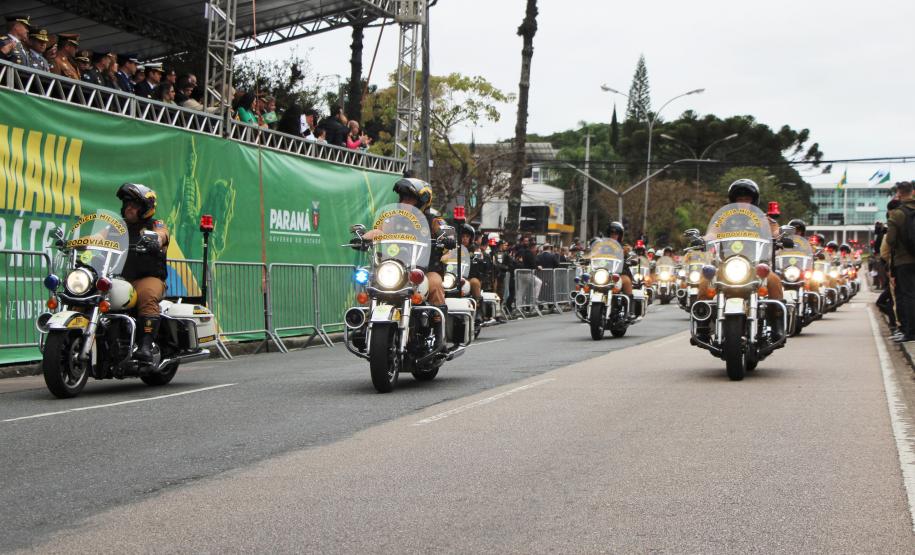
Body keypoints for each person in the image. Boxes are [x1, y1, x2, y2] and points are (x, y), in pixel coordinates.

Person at [363, 178, 446, 310]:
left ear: (422, 201)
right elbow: (378, 231)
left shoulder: (433, 220)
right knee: (370, 284)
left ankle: (438, 321)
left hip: (424, 270)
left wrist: (448, 237)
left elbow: (444, 230)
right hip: (395, 269)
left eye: (410, 198)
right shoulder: (392, 219)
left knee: (435, 283)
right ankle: (367, 321)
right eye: (403, 198)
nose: (404, 202)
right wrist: (363, 238)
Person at [116, 183, 170, 363]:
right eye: (127, 204)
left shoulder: (155, 224)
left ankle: (146, 346)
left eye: (134, 205)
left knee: (147, 295)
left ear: (145, 208)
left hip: (147, 277)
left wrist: (156, 240)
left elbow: (162, 234)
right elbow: (98, 237)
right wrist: (77, 242)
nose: (129, 208)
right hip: (120, 279)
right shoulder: (117, 227)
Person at [887, 181, 915, 342]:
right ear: (912, 192)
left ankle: (910, 332)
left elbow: (890, 240)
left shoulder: (897, 213)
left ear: (899, 193)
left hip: (904, 260)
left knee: (908, 295)